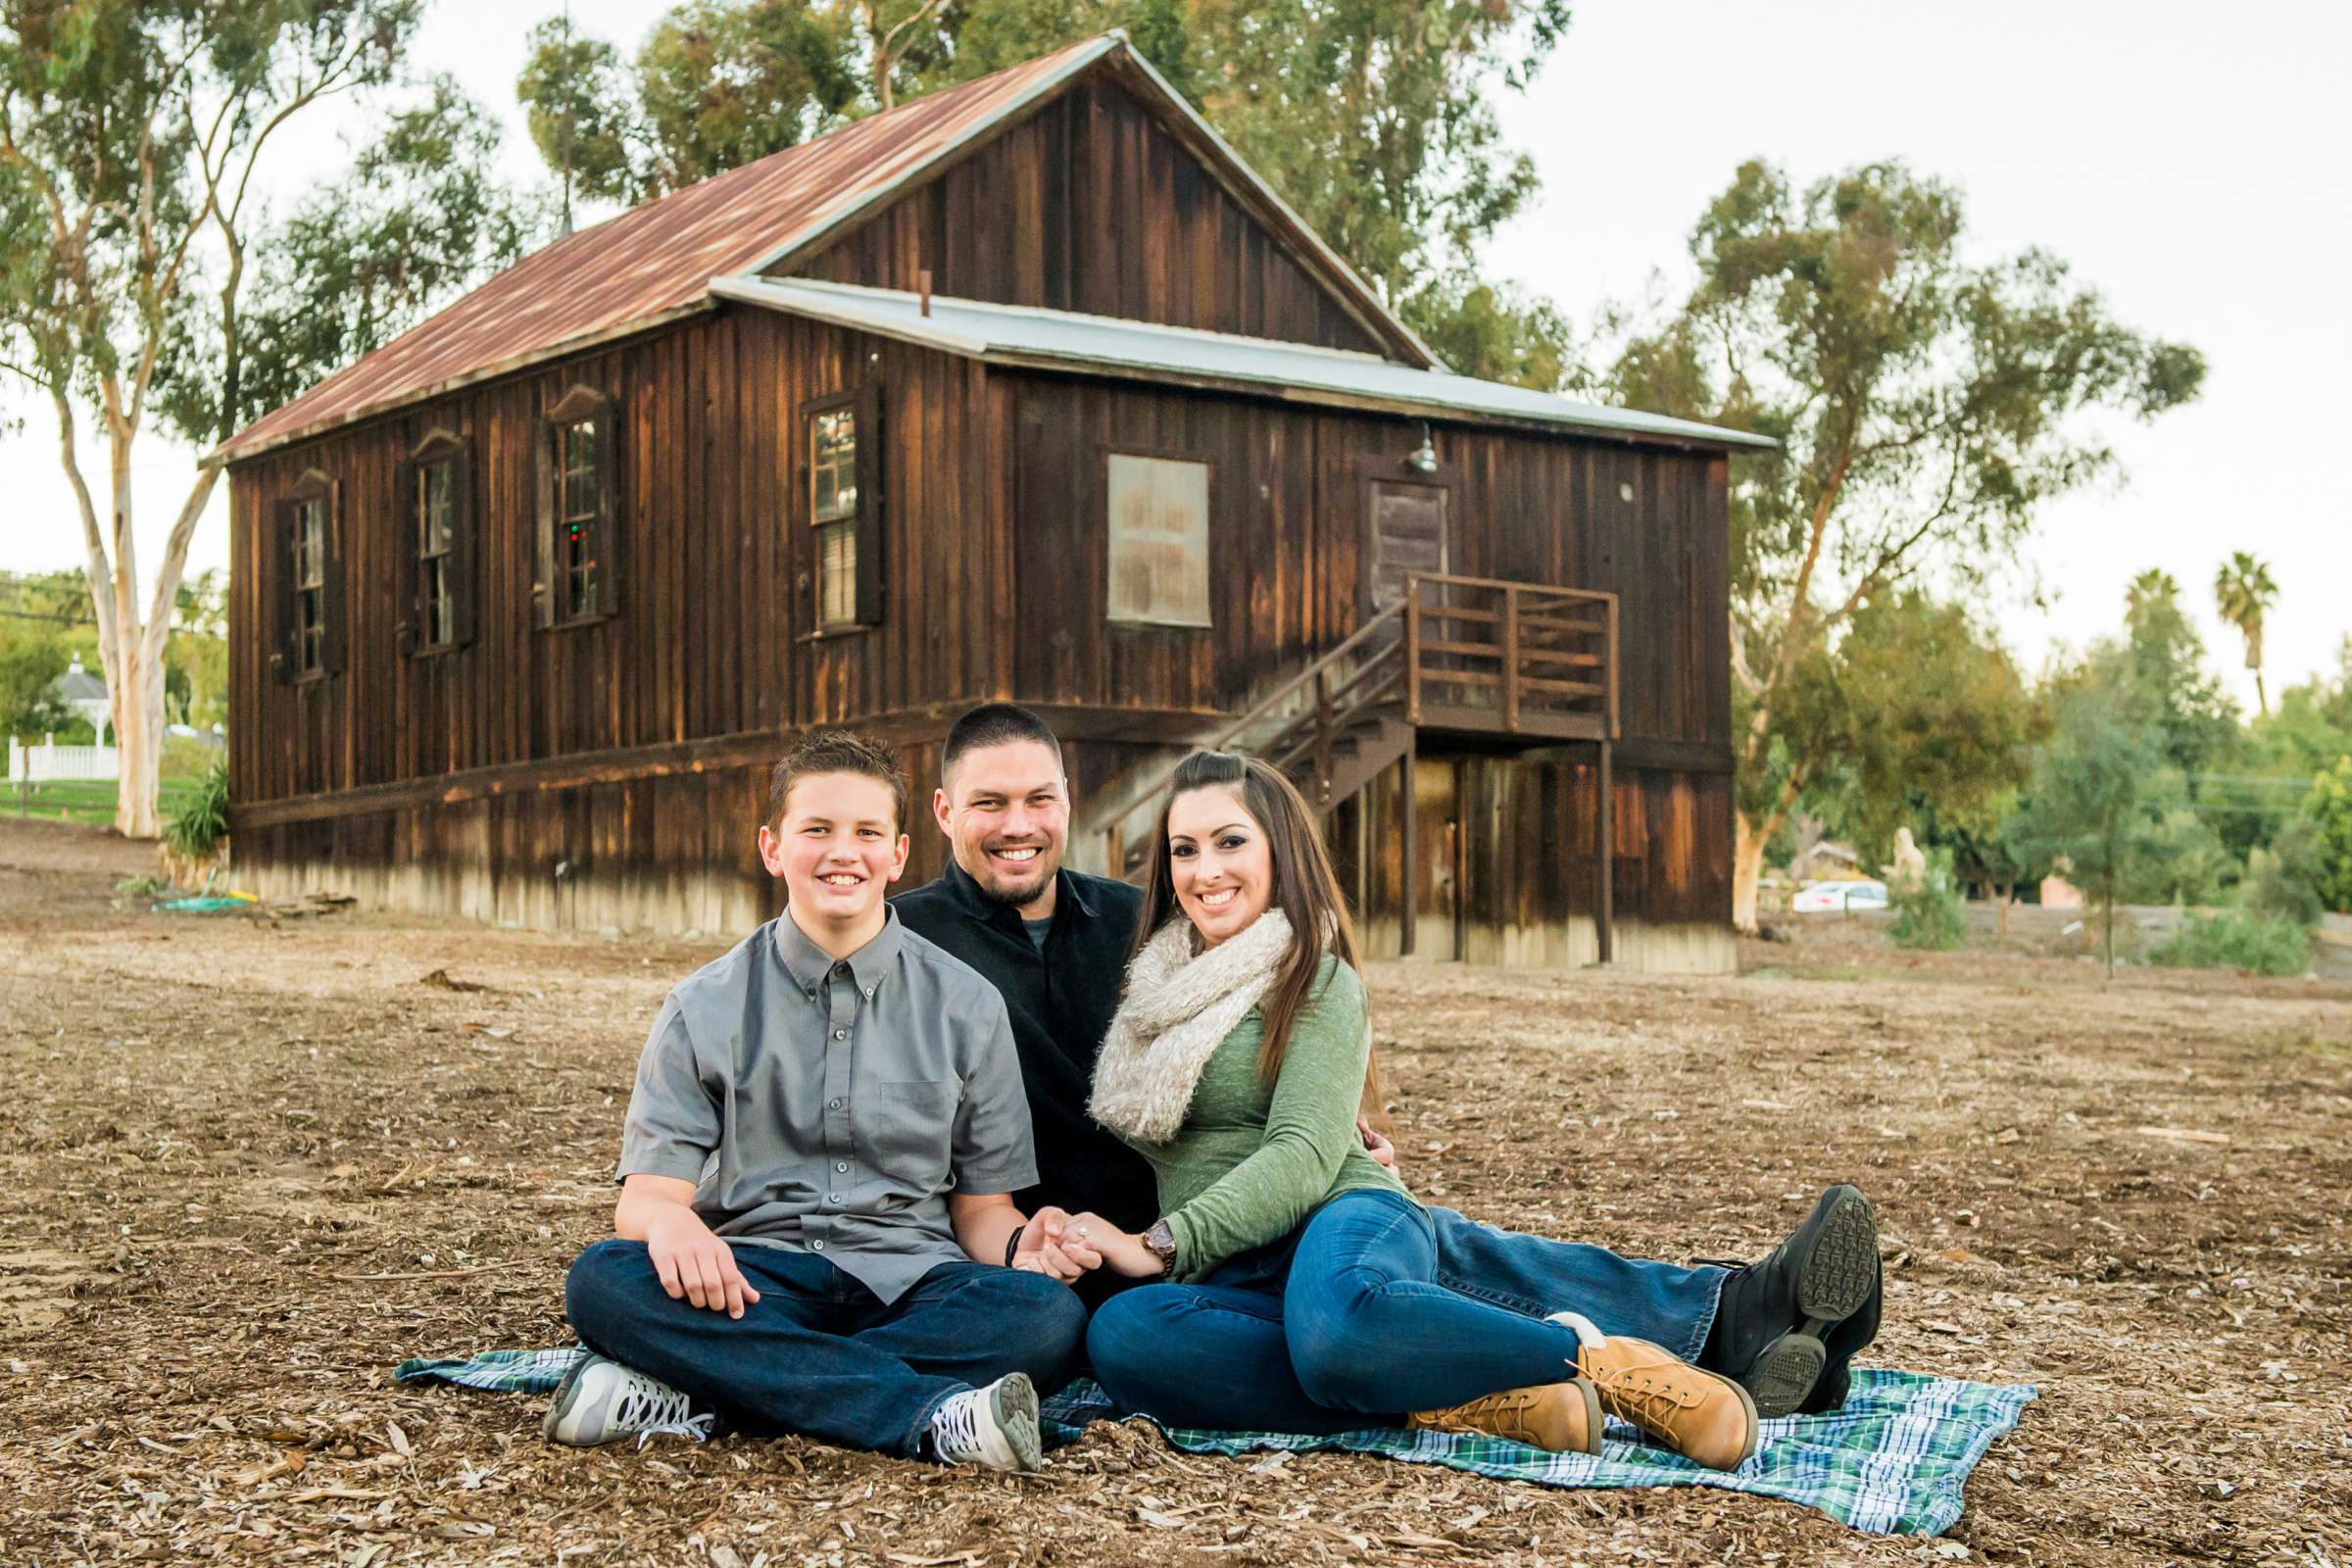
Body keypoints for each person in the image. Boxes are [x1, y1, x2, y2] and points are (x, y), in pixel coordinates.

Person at [894, 705, 1882, 1421]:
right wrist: (1026, 1234)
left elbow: (1270, 1009)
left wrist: (1326, 1124)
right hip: (1101, 1249)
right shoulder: (907, 945)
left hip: (1207, 1215)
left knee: (1397, 1265)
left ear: (1069, 801)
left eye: (1038, 798)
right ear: (943, 811)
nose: (1017, 823)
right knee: (1407, 1278)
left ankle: (1734, 1315)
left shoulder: (1137, 921)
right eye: (990, 803)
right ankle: (1730, 1335)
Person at [1062, 751, 1758, 1465]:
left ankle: (1603, 1366)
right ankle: (1471, 1396)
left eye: (1230, 841)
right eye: (1185, 850)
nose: (1205, 871)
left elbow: (1303, 1154)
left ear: (1280, 851)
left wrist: (1157, 1244)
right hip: (1234, 1276)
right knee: (1127, 1338)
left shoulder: (1316, 979)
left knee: (1336, 1326)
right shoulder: (1148, 1001)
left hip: (1342, 1222)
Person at [543, 729, 1091, 1472]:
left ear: (898, 854)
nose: (845, 852)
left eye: (867, 832)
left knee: (1047, 1317)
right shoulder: (702, 1005)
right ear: (773, 847)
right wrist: (673, 1225)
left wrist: (1027, 1247)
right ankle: (928, 1417)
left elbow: (982, 1212)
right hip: (750, 1280)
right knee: (604, 1281)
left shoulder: (968, 1006)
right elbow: (647, 1200)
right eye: (818, 830)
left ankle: (712, 1394)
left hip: (914, 1283)